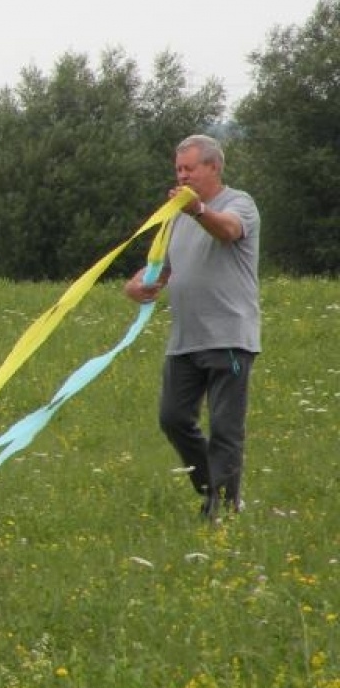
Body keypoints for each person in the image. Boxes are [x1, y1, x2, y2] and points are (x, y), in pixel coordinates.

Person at [124, 134, 260, 521]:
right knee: (173, 418)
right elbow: (158, 268)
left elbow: (228, 231)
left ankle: (224, 509)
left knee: (224, 428)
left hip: (229, 336)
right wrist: (135, 287)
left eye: (190, 168)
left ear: (213, 167)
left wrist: (198, 210)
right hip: (184, 339)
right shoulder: (177, 217)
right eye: (178, 169)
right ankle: (213, 492)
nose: (182, 176)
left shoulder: (238, 204)